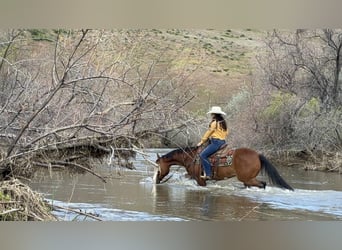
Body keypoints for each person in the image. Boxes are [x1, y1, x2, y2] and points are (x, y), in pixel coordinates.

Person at [197, 106, 229, 180]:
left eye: (212, 114)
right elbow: (227, 133)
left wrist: (202, 141)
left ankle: (208, 174)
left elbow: (208, 132)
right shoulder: (223, 122)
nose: (211, 115)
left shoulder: (214, 123)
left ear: (214, 114)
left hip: (216, 142)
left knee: (203, 155)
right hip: (223, 142)